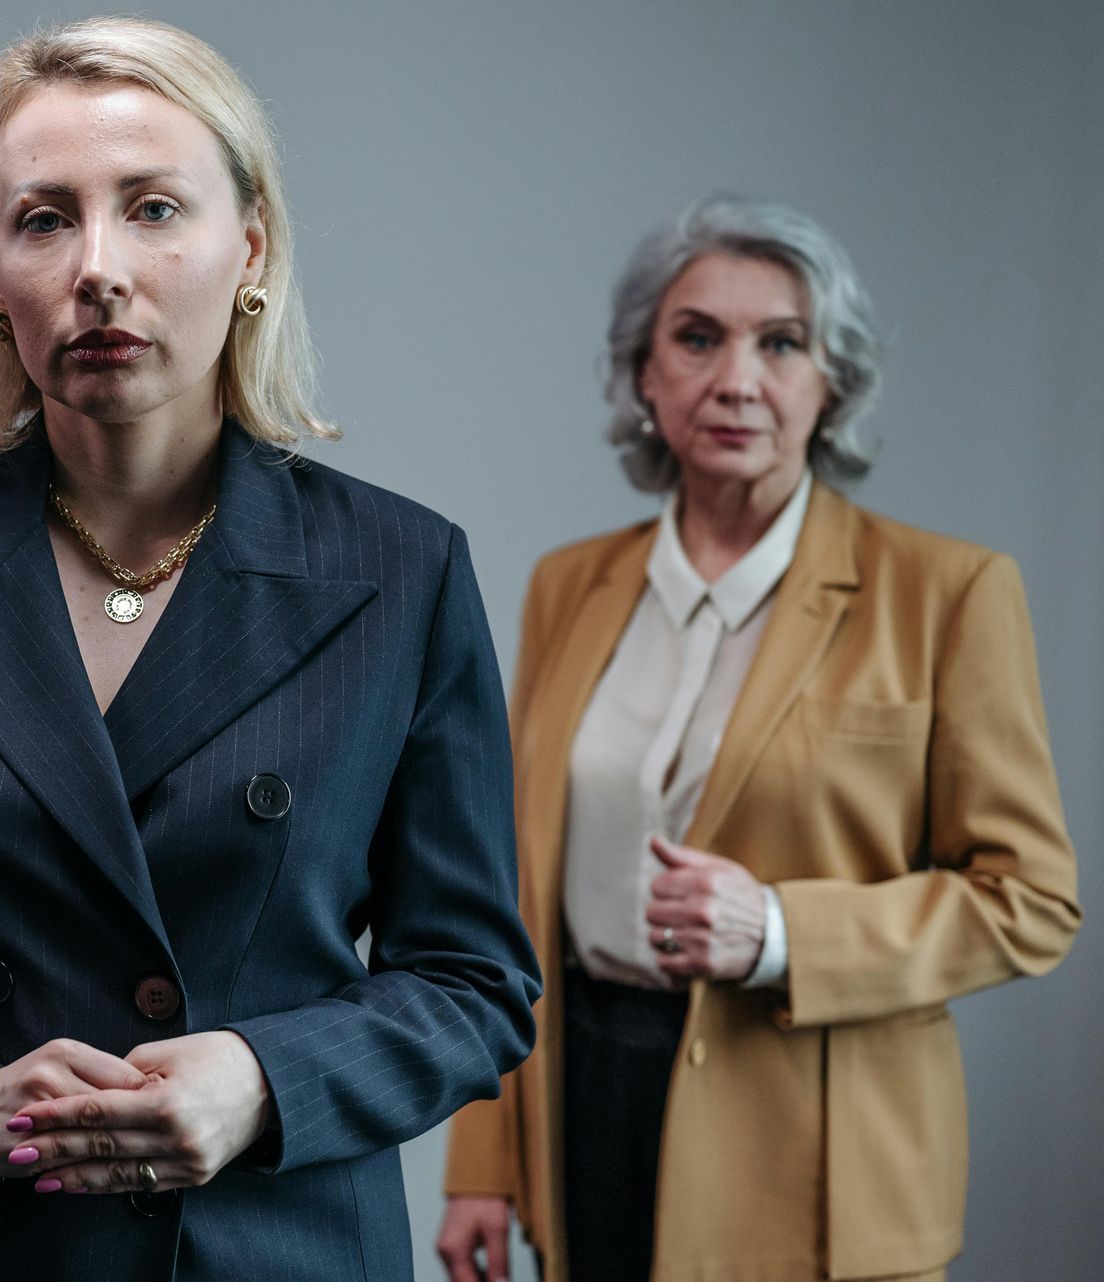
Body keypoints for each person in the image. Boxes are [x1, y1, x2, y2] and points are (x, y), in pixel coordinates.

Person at [0, 17, 539, 1281]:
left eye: (150, 209)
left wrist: (261, 1079)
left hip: (266, 1247)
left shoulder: (400, 569)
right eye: (43, 219)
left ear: (249, 247)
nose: (97, 268)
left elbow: (472, 980)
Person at [437, 196, 1081, 1282]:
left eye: (782, 343)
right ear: (645, 372)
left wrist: (783, 929)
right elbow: (502, 892)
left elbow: (1033, 900)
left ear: (833, 382)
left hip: (814, 1148)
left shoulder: (950, 592)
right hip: (583, 1100)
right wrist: (482, 1159)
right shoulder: (569, 585)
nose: (737, 379)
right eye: (697, 338)